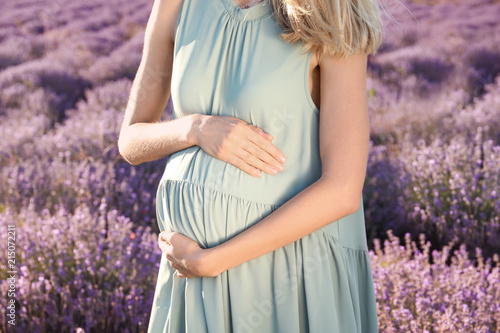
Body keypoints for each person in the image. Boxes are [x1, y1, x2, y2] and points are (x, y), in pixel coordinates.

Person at [118, 0, 384, 331]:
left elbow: (342, 189)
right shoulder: (177, 4)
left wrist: (213, 260)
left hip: (285, 274)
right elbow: (130, 141)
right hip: (192, 277)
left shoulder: (330, 12)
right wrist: (195, 129)